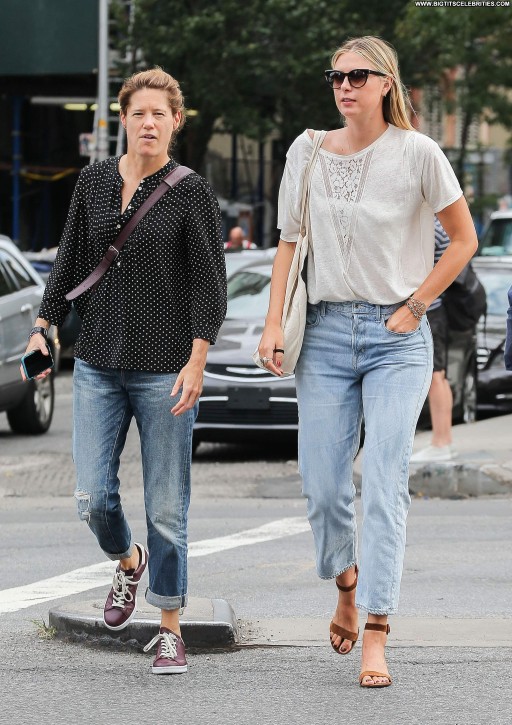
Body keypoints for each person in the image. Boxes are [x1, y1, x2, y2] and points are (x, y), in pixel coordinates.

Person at [257, 36, 477, 688]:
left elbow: (463, 239)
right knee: (323, 486)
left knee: (383, 480)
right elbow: (288, 242)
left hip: (396, 338)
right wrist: (273, 322)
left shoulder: (419, 153)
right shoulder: (306, 151)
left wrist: (418, 303)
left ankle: (377, 628)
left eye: (358, 76)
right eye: (336, 77)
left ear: (386, 83)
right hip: (324, 333)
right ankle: (347, 584)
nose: (345, 86)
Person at [21, 67, 227, 674]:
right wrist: (42, 326)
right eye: (139, 113)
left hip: (166, 368)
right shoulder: (92, 181)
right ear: (124, 118)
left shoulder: (191, 191)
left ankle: (168, 628)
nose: (149, 123)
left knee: (167, 506)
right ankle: (129, 563)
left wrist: (197, 359)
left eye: (160, 113)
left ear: (176, 122)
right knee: (92, 498)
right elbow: (69, 261)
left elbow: (209, 285)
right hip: (97, 363)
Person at [410, 218, 456, 462]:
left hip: (429, 311)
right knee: (438, 376)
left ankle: (441, 442)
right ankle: (443, 440)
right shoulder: (439, 227)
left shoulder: (433, 228)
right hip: (434, 310)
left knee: (435, 376)